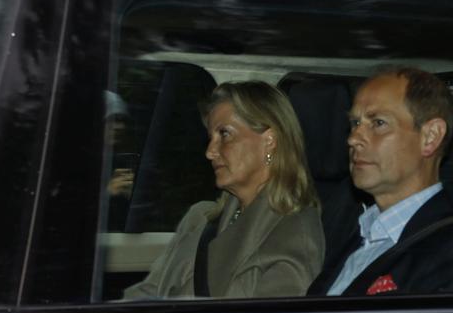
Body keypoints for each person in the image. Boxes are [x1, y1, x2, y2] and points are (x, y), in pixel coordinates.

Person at [123, 81, 324, 300]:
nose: (210, 152)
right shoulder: (199, 219)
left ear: (269, 141)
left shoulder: (294, 232)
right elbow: (147, 294)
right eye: (211, 138)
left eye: (225, 134)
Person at [307, 67, 453, 296]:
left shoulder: (444, 249)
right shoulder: (350, 232)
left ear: (431, 136)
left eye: (378, 123)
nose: (353, 138)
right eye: (355, 123)